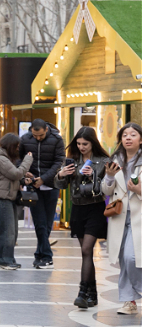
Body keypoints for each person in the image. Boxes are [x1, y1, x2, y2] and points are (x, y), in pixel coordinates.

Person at [55, 127, 110, 307]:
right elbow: (62, 185)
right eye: (78, 144)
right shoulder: (72, 160)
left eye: (85, 144)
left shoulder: (103, 161)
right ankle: (92, 294)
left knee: (87, 249)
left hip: (95, 209)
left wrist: (94, 176)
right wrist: (61, 174)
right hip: (78, 209)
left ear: (93, 143)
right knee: (86, 253)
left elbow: (108, 187)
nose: (81, 147)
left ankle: (82, 292)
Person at [102, 122, 142, 315]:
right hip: (119, 217)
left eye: (133, 134)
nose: (128, 138)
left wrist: (139, 190)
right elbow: (105, 190)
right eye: (125, 135)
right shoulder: (115, 161)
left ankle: (137, 291)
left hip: (139, 217)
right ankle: (129, 301)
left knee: (131, 257)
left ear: (140, 140)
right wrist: (109, 177)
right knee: (124, 260)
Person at [20, 118, 65, 269]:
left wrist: (44, 179)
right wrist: (25, 172)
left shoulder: (57, 140)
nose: (38, 138)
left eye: (40, 135)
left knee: (47, 224)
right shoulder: (25, 139)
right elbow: (20, 159)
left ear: (46, 129)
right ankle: (47, 256)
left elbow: (59, 162)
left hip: (52, 186)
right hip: (33, 187)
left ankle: (40, 254)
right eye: (35, 135)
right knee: (39, 222)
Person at [0, 133, 34, 270]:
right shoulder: (1, 159)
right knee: (7, 232)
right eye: (16, 146)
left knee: (12, 231)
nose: (18, 149)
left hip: (9, 198)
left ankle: (8, 259)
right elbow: (15, 174)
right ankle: (4, 261)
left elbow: (11, 178)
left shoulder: (5, 158)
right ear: (10, 145)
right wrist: (27, 160)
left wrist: (23, 180)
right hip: (3, 199)